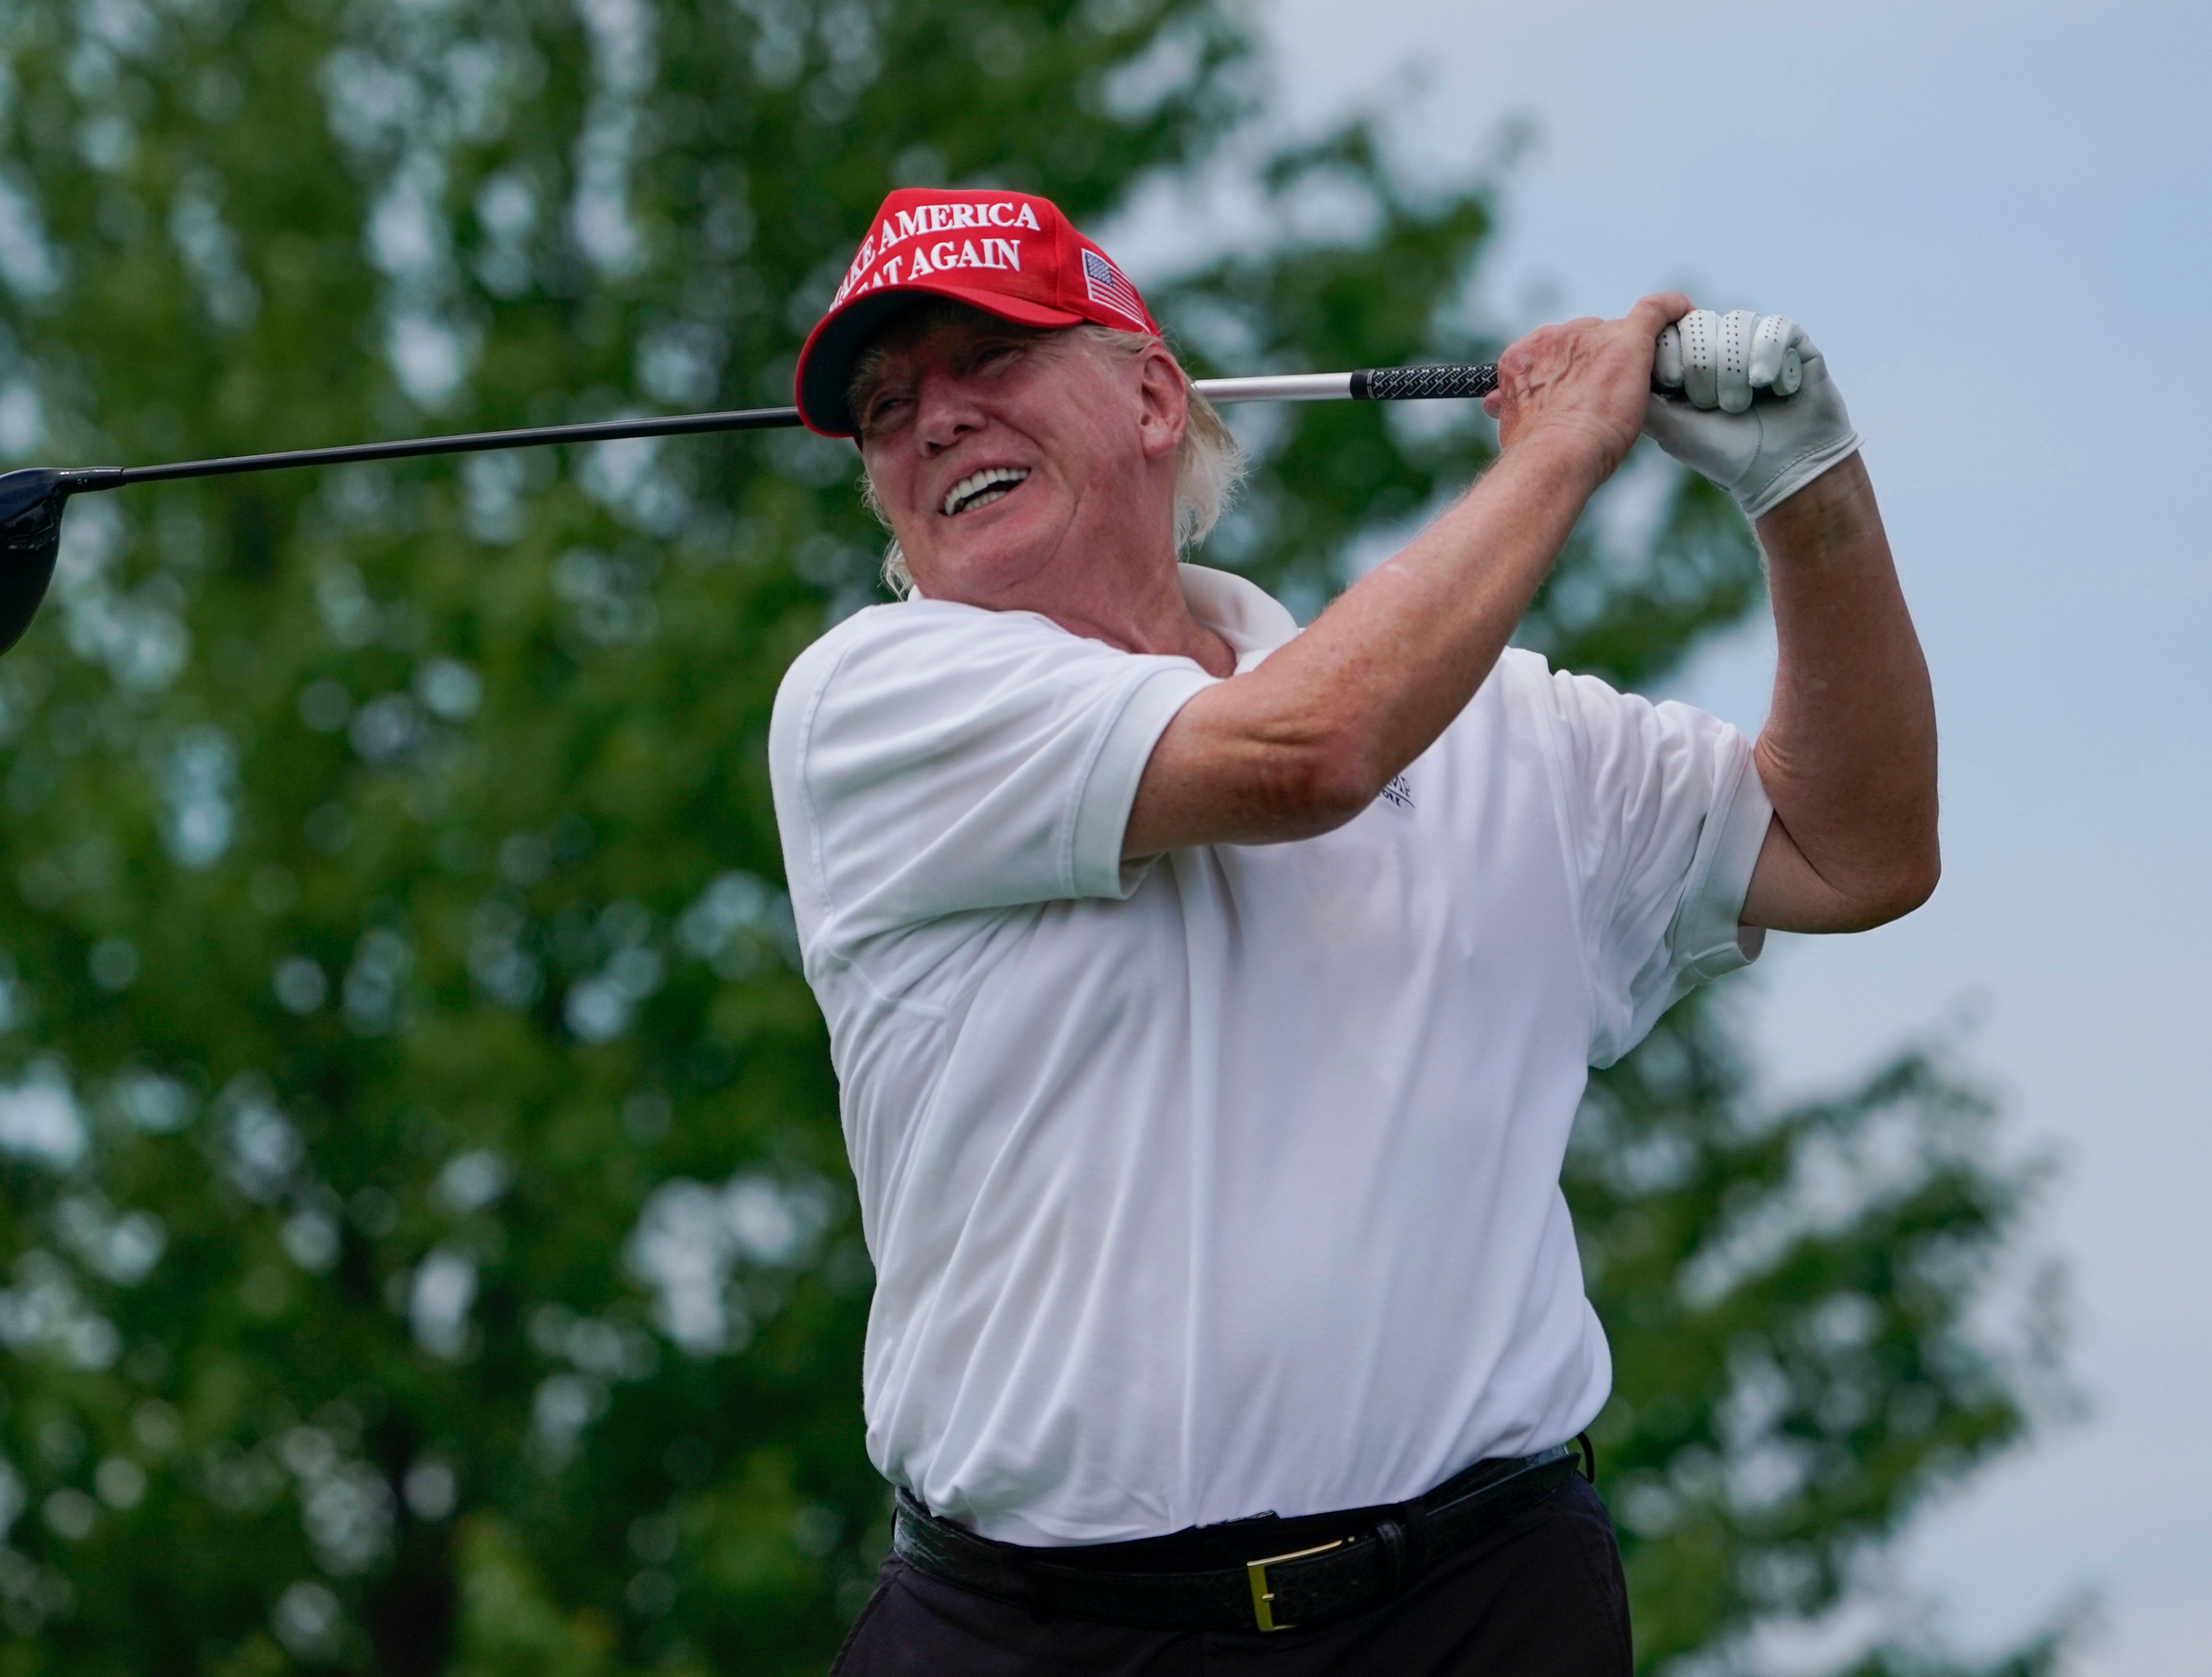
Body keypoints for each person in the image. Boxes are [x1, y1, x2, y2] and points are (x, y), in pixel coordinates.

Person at [770, 187, 1937, 1675]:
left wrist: (1805, 488)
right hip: (1040, 1636)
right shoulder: (871, 703)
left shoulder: (1501, 727)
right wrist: (1564, 450)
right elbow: (1304, 754)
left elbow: (1857, 851)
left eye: (984, 361)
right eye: (882, 407)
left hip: (1478, 1608)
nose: (929, 421)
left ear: (1147, 393)